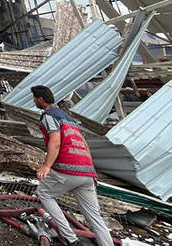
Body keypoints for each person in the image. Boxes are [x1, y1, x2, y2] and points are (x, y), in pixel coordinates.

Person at [31, 85, 114, 246]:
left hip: (67, 168)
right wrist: (93, 173)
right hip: (87, 172)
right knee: (94, 216)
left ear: (40, 99)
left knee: (44, 193)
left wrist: (47, 166)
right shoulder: (69, 119)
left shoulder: (48, 116)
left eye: (34, 98)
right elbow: (85, 145)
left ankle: (71, 239)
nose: (34, 100)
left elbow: (55, 141)